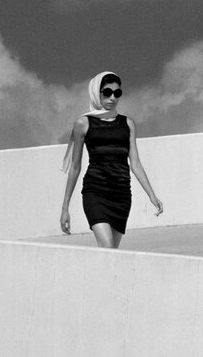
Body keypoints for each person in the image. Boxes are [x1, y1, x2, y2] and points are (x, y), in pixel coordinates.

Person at [59, 72, 162, 247]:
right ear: (96, 93)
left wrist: (152, 195)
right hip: (95, 191)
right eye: (107, 92)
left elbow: (135, 163)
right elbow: (75, 167)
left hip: (121, 194)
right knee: (107, 246)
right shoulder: (83, 123)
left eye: (117, 93)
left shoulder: (127, 124)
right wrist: (65, 208)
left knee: (112, 253)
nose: (112, 98)